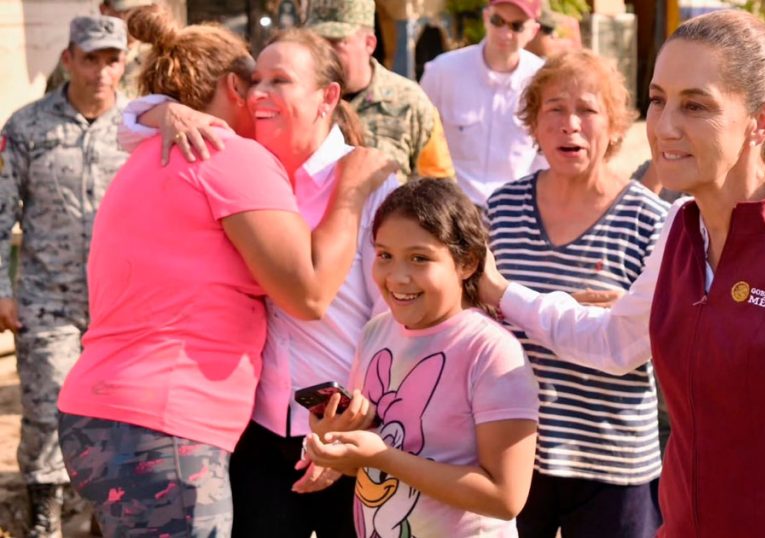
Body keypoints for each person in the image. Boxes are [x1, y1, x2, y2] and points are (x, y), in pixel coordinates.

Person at [476, 10, 765, 536]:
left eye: (695, 105)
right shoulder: (680, 230)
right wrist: (501, 291)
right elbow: (613, 342)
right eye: (658, 100)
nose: (664, 127)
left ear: (763, 120)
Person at [56, 8, 395, 536]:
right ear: (234, 86)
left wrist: (158, 111)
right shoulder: (227, 156)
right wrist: (349, 194)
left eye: (278, 81)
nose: (261, 93)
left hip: (110, 417)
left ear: (328, 97)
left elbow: (403, 318)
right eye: (254, 80)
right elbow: (308, 295)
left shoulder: (155, 152)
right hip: (184, 425)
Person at [486, 50, 667, 538]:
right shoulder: (502, 209)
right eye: (554, 109)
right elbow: (479, 310)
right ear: (534, 124)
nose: (570, 124)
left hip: (612, 462)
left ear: (612, 126)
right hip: (517, 452)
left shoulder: (649, 220)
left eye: (588, 110)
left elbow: (644, 336)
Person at [304, 179, 540, 537]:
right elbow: (369, 458)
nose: (397, 277)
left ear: (467, 263)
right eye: (384, 255)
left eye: (419, 258)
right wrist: (339, 444)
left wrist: (381, 457)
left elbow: (505, 497)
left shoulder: (491, 351)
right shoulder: (376, 332)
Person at [0, 15, 128, 537]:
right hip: (47, 299)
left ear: (124, 64)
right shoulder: (27, 127)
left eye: (111, 60)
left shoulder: (139, 129)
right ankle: (44, 519)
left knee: (119, 413)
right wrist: (2, 291)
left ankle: (107, 514)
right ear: (68, 59)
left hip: (121, 305)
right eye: (90, 58)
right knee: (50, 409)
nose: (101, 71)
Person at [305, 0, 455, 183]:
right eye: (315, 42)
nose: (323, 52)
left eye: (336, 42)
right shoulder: (298, 98)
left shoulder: (410, 103)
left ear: (369, 43)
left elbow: (440, 188)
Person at [420, 0, 546, 207]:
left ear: (533, 30)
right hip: (451, 207)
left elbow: (546, 153)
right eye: (498, 21)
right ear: (486, 18)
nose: (505, 33)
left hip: (516, 208)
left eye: (517, 26)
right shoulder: (442, 71)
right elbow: (421, 138)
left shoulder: (542, 80)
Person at [45, 0, 155, 97]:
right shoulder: (79, 57)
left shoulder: (155, 58)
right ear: (103, 9)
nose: (137, 18)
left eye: (142, 11)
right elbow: (53, 106)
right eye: (127, 12)